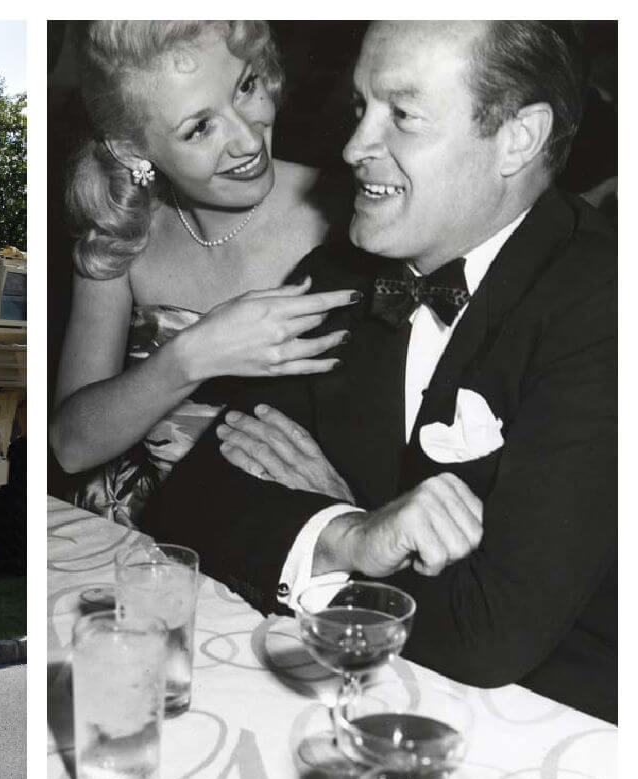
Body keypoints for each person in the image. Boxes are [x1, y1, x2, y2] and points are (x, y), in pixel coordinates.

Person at [143, 21, 616, 723]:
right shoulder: (339, 276)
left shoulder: (604, 304)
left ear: (517, 138)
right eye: (362, 107)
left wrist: (329, 541)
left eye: (403, 114)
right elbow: (187, 509)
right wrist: (349, 535)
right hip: (354, 695)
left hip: (553, 736)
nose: (355, 146)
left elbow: (492, 636)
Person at [50, 20, 358, 526]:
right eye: (199, 127)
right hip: (133, 543)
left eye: (246, 87)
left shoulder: (350, 219)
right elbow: (70, 446)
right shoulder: (121, 236)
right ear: (134, 151)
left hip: (292, 541)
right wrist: (193, 355)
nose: (246, 138)